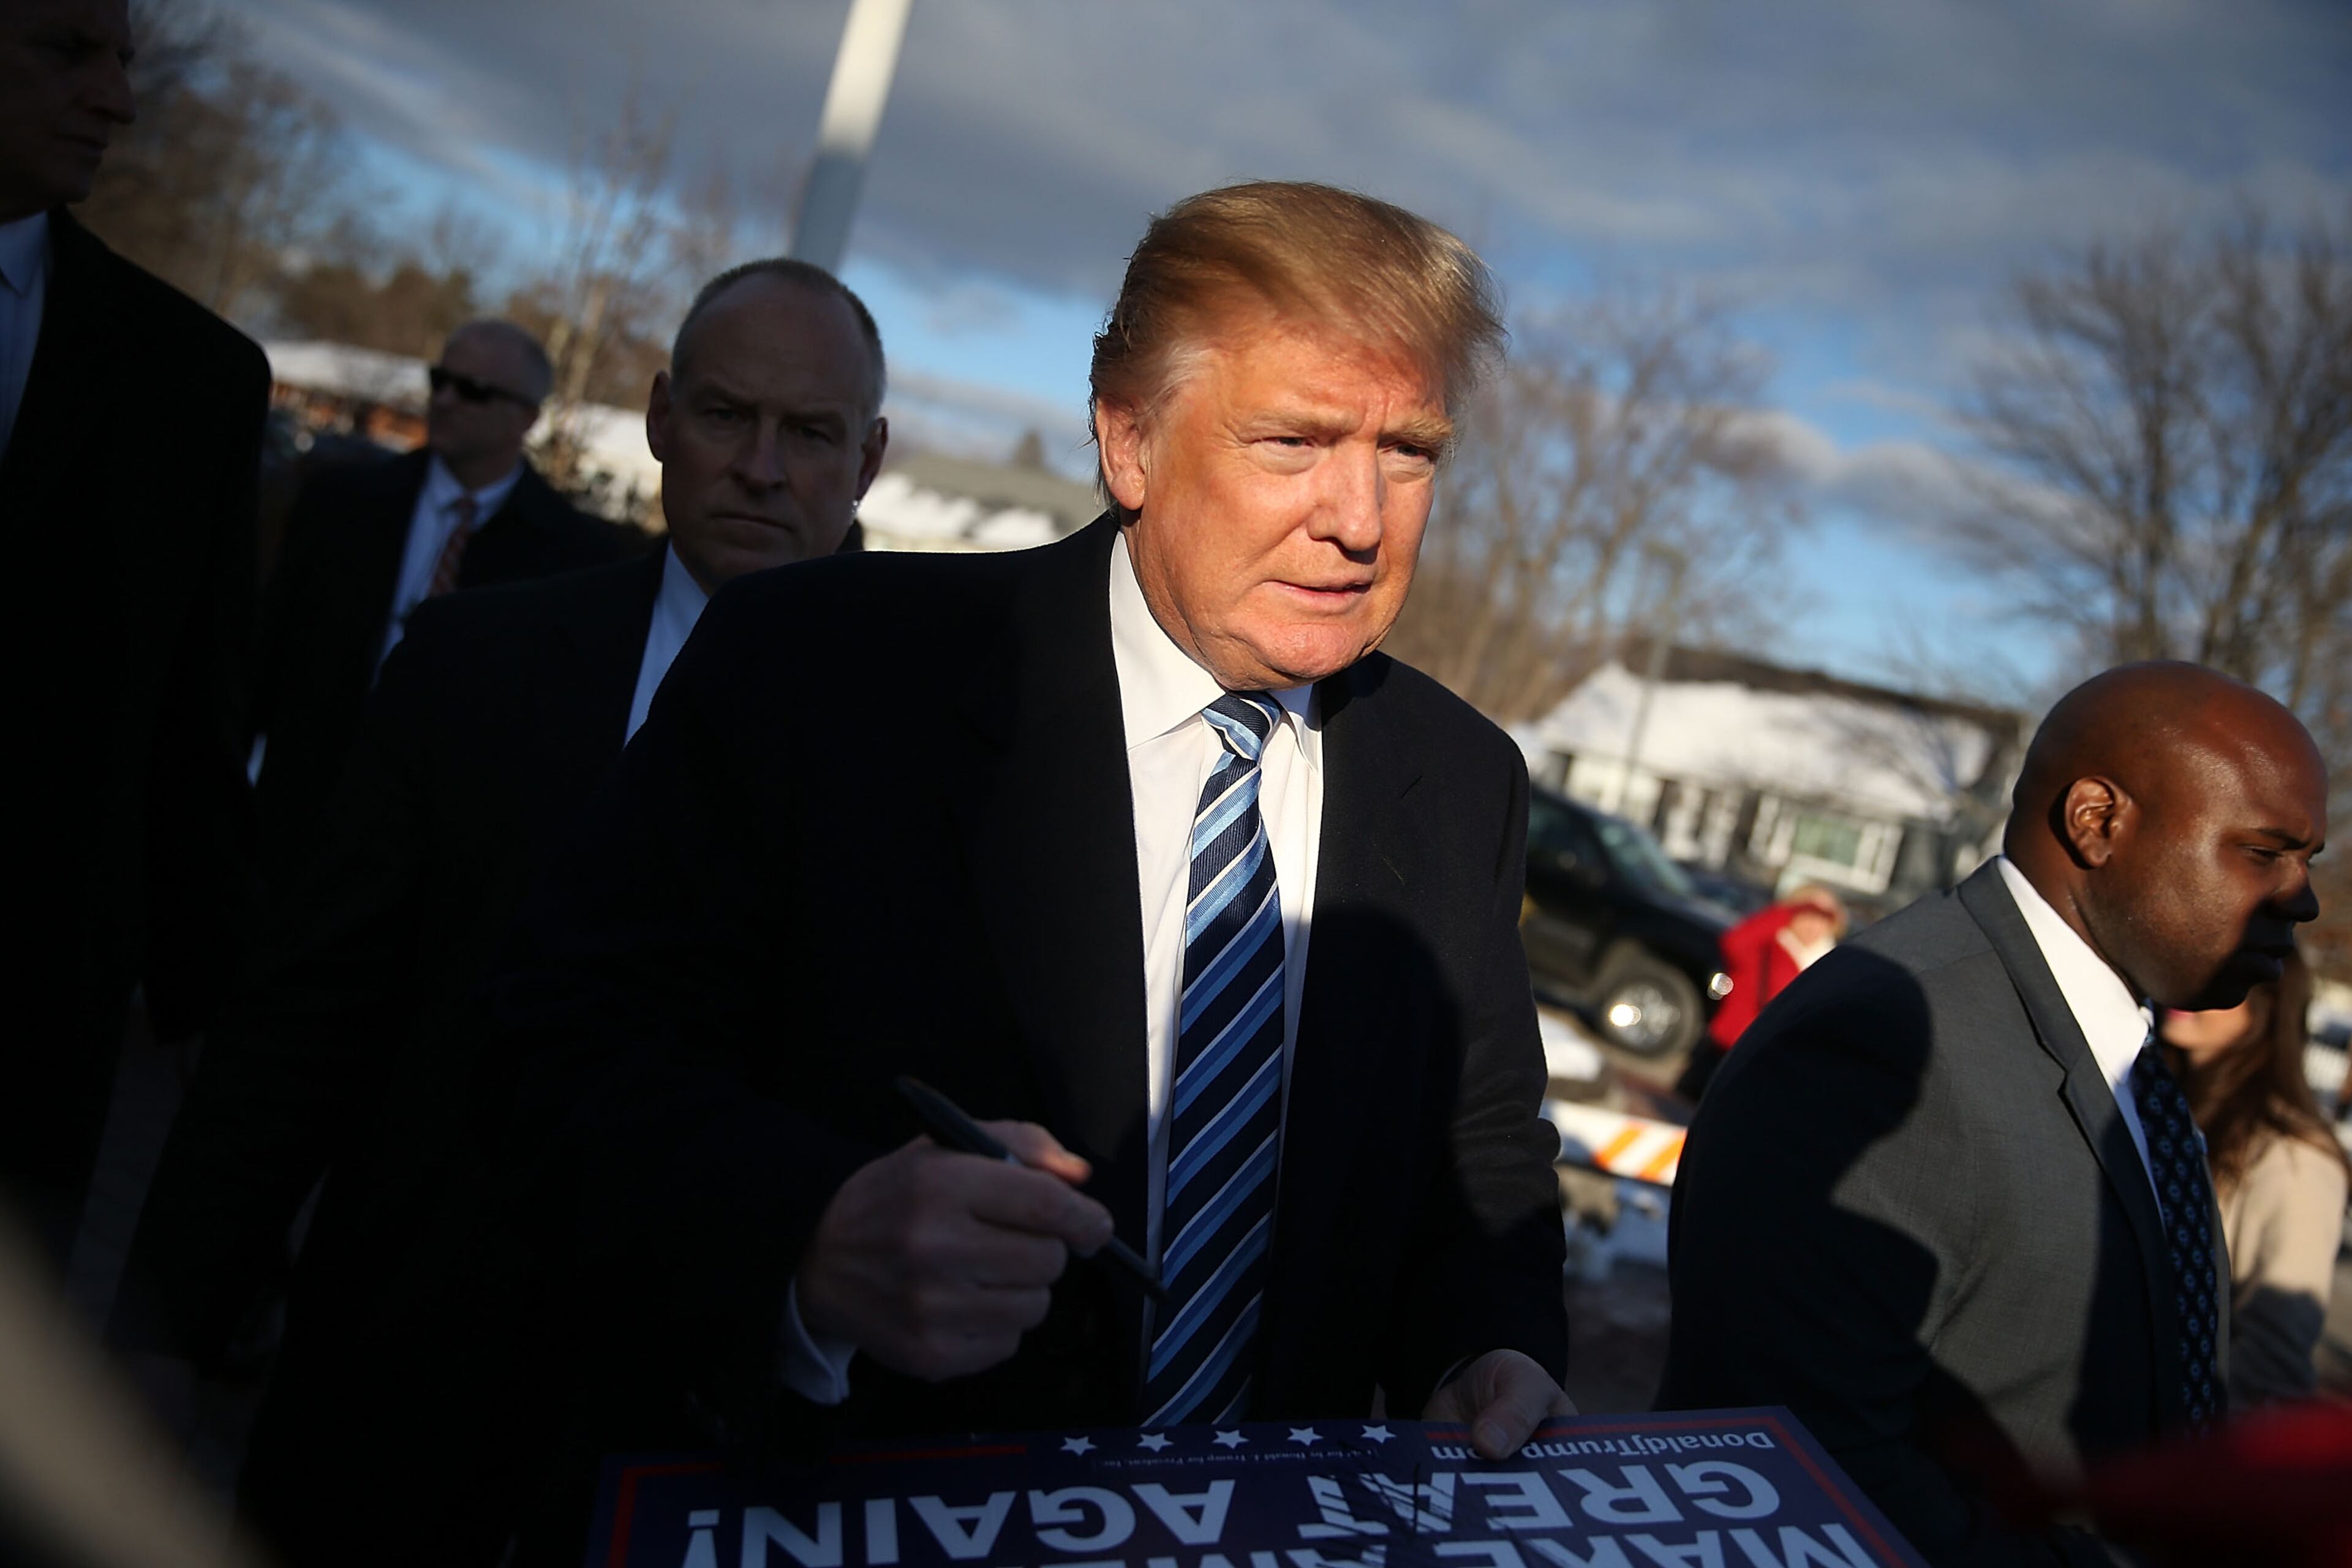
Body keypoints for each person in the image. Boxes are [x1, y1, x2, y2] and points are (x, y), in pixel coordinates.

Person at [485, 180, 1569, 1551]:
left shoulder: (1461, 777)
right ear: (1129, 440)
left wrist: (1488, 1338)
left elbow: (1483, 1151)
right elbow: (558, 1053)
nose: (1360, 518)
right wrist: (812, 1238)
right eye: (1293, 439)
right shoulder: (824, 673)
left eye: (1408, 451)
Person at [111, 260, 888, 1567]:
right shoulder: (475, 662)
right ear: (656, 417)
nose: (762, 465)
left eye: (808, 433)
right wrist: (168, 1325)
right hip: (393, 1386)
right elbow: (304, 1020)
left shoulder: (946, 734)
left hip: (711, 1444)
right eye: (723, 416)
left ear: (869, 457)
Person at [1659, 661, 2326, 1566]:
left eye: (2306, 860)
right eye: (2263, 851)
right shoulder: (1883, 1043)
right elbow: (1795, 1469)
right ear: (2098, 821)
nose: (2304, 898)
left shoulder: (2116, 1041)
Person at [0, 0, 268, 1265]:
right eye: (65, 50)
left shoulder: (192, 383)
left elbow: (190, 723)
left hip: (29, 1039)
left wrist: (210, 995)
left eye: (124, 60)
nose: (115, 97)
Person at [247, 317, 639, 880]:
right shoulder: (343, 503)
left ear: (526, 418)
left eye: (474, 390)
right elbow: (268, 650)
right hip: (296, 828)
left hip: (450, 860)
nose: (447, 401)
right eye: (441, 381)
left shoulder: (574, 555)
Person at [2158, 949, 2351, 1408]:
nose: (2191, 987)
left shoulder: (2292, 1155)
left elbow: (2273, 1358)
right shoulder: (2159, 1101)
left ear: (2268, 1009)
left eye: (2221, 977)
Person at [1674, 881, 1849, 1101]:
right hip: (1729, 1050)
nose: (1813, 926)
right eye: (1806, 914)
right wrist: (1786, 911)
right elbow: (1734, 942)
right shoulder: (1767, 946)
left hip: (1776, 1063)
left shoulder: (1829, 961)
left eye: (1823, 918)